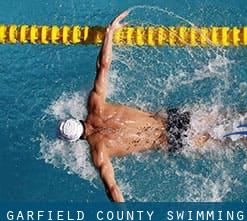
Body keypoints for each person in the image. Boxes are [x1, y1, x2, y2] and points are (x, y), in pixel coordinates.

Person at [58, 11, 210, 202]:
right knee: (226, 118)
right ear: (76, 119)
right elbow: (103, 66)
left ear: (76, 140)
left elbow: (112, 189)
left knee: (228, 141)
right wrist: (109, 33)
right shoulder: (95, 105)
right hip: (172, 118)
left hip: (171, 140)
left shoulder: (99, 152)